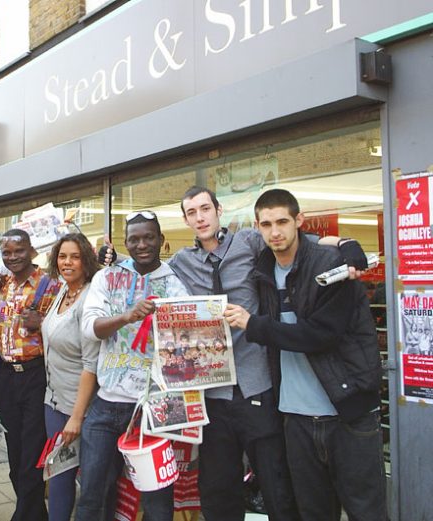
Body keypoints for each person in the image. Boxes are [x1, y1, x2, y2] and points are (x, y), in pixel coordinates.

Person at [167, 186, 367, 521]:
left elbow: (298, 241)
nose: (200, 217)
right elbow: (145, 273)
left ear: (218, 211)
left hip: (256, 382)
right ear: (186, 220)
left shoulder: (249, 242)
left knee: (277, 485)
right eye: (191, 212)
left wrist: (346, 244)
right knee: (218, 491)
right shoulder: (180, 263)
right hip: (211, 392)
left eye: (205, 209)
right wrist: (111, 262)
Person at [224, 189, 386, 521]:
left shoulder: (332, 266)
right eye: (266, 224)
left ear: (298, 221)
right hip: (295, 418)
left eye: (282, 221)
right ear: (258, 226)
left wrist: (253, 325)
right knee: (313, 513)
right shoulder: (263, 271)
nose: (275, 232)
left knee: (366, 512)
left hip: (347, 413)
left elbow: (320, 334)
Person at [76, 211, 188, 521]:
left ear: (162, 242)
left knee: (157, 503)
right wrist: (127, 316)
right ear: (125, 243)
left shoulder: (177, 282)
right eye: (134, 239)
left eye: (149, 237)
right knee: (91, 495)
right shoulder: (107, 277)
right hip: (107, 405)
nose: (142, 244)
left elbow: (188, 340)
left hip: (155, 408)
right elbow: (90, 328)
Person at [0, 228, 60, 521]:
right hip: (6, 377)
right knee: (15, 455)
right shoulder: (0, 284)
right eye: (6, 252)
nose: (12, 257)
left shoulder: (51, 285)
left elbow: (67, 326)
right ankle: (36, 515)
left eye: (18, 251)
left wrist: (43, 322)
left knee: (32, 455)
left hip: (36, 375)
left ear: (32, 251)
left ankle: (22, 515)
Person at [42, 233, 100, 521]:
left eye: (75, 257)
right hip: (53, 402)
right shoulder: (63, 291)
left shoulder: (90, 298)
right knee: (59, 477)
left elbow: (91, 364)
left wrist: (76, 417)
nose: (67, 262)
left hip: (79, 409)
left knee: (88, 485)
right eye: (63, 256)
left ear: (86, 260)